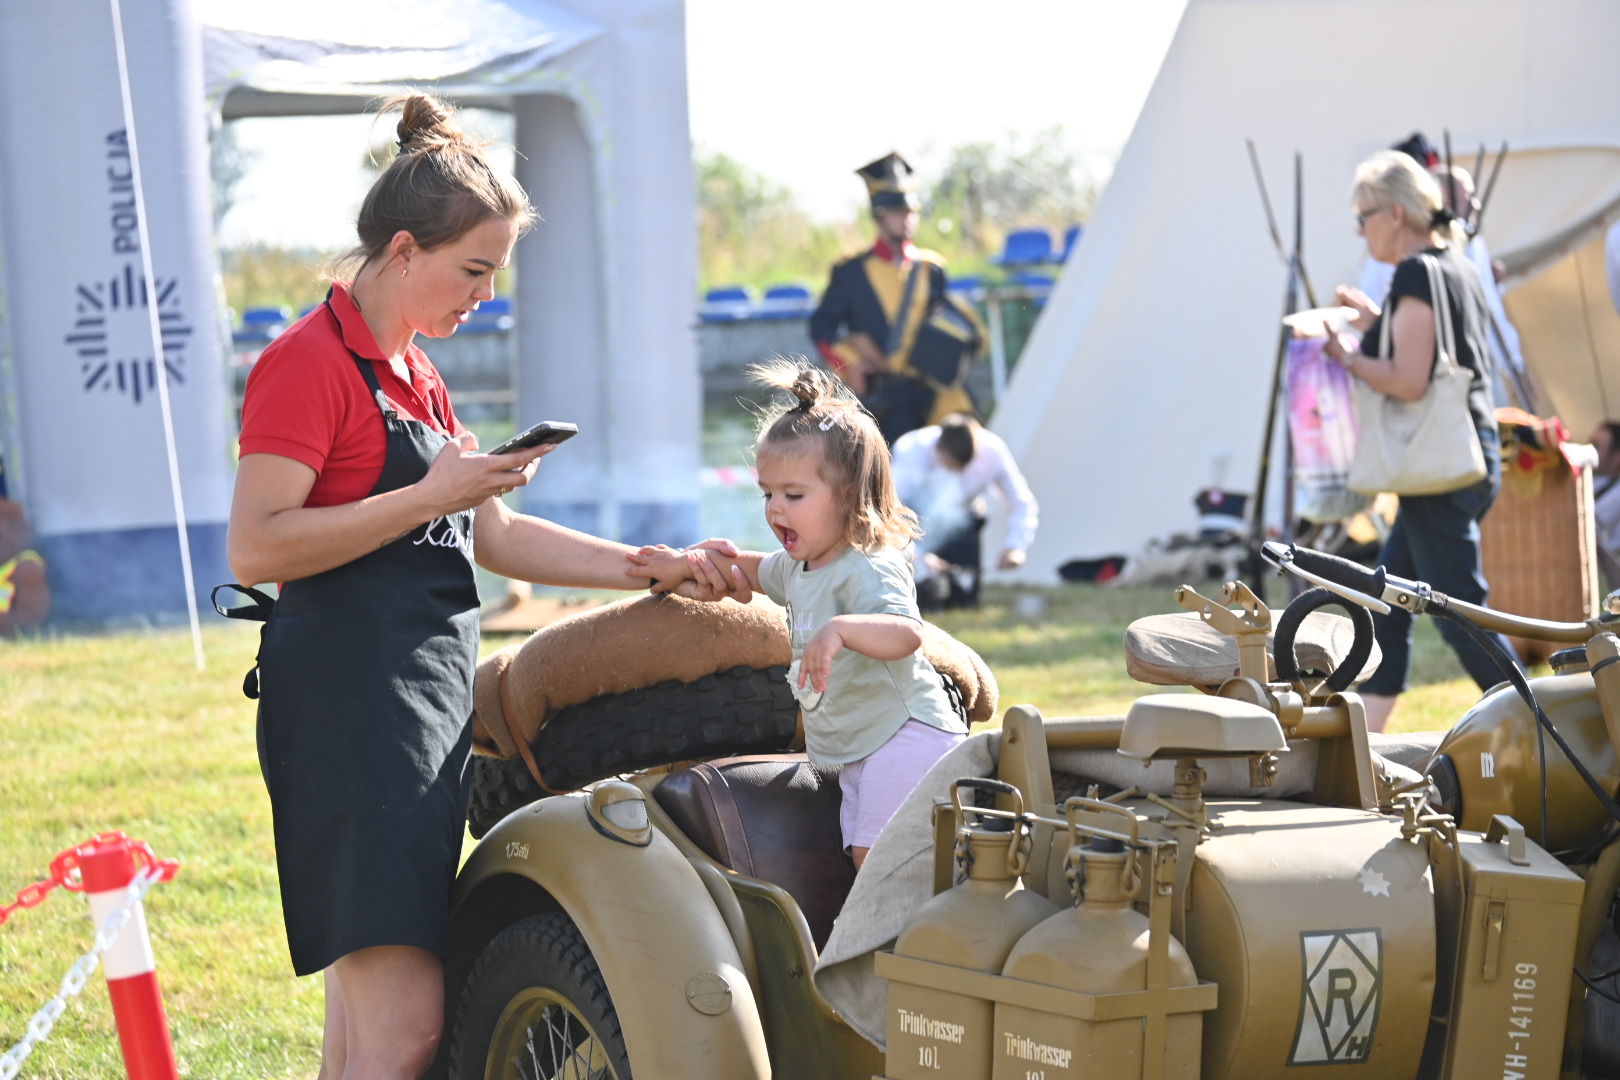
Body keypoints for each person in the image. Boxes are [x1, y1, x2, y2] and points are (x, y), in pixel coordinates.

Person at [225, 94, 706, 1080]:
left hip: (419, 707)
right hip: (354, 710)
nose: (487, 295)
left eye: (497, 274)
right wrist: (429, 494)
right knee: (404, 1030)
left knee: (362, 1035)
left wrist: (647, 567)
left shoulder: (419, 373)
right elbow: (254, 546)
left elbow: (497, 536)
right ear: (405, 251)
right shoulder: (305, 362)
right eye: (475, 270)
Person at [640, 360, 967, 868]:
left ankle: (921, 918)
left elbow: (906, 634)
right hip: (863, 748)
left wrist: (840, 630)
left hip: (906, 734)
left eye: (793, 495)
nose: (775, 509)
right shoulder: (799, 566)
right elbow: (747, 570)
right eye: (767, 493)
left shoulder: (867, 565)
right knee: (862, 859)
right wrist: (684, 563)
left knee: (879, 858)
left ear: (849, 494)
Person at [1323, 149, 1513, 733]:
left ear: (1395, 215)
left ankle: (1542, 721)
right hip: (1467, 451)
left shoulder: (1413, 272)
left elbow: (1408, 379)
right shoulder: (1456, 262)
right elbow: (1432, 351)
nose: (1361, 231)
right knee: (1386, 602)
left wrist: (1347, 357)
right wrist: (1374, 323)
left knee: (1459, 611)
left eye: (1363, 217)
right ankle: (1369, 739)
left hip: (1439, 467)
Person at [809, 152, 976, 443]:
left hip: (932, 390)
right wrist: (852, 365)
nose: (907, 219)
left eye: (911, 211)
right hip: (885, 398)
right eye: (898, 212)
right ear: (879, 215)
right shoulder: (850, 272)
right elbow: (822, 328)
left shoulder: (931, 268)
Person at [890, 413, 1038, 610]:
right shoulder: (912, 450)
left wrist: (1016, 546)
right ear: (937, 449)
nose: (959, 472)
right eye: (952, 466)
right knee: (919, 601)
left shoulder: (993, 452)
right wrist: (918, 554)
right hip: (912, 527)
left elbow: (1020, 501)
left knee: (965, 603)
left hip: (963, 523)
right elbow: (889, 509)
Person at [1593, 421, 1620, 590]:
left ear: (1617, 457)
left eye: (1596, 446)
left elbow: (1592, 524)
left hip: (1608, 579)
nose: (1589, 450)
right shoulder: (1594, 478)